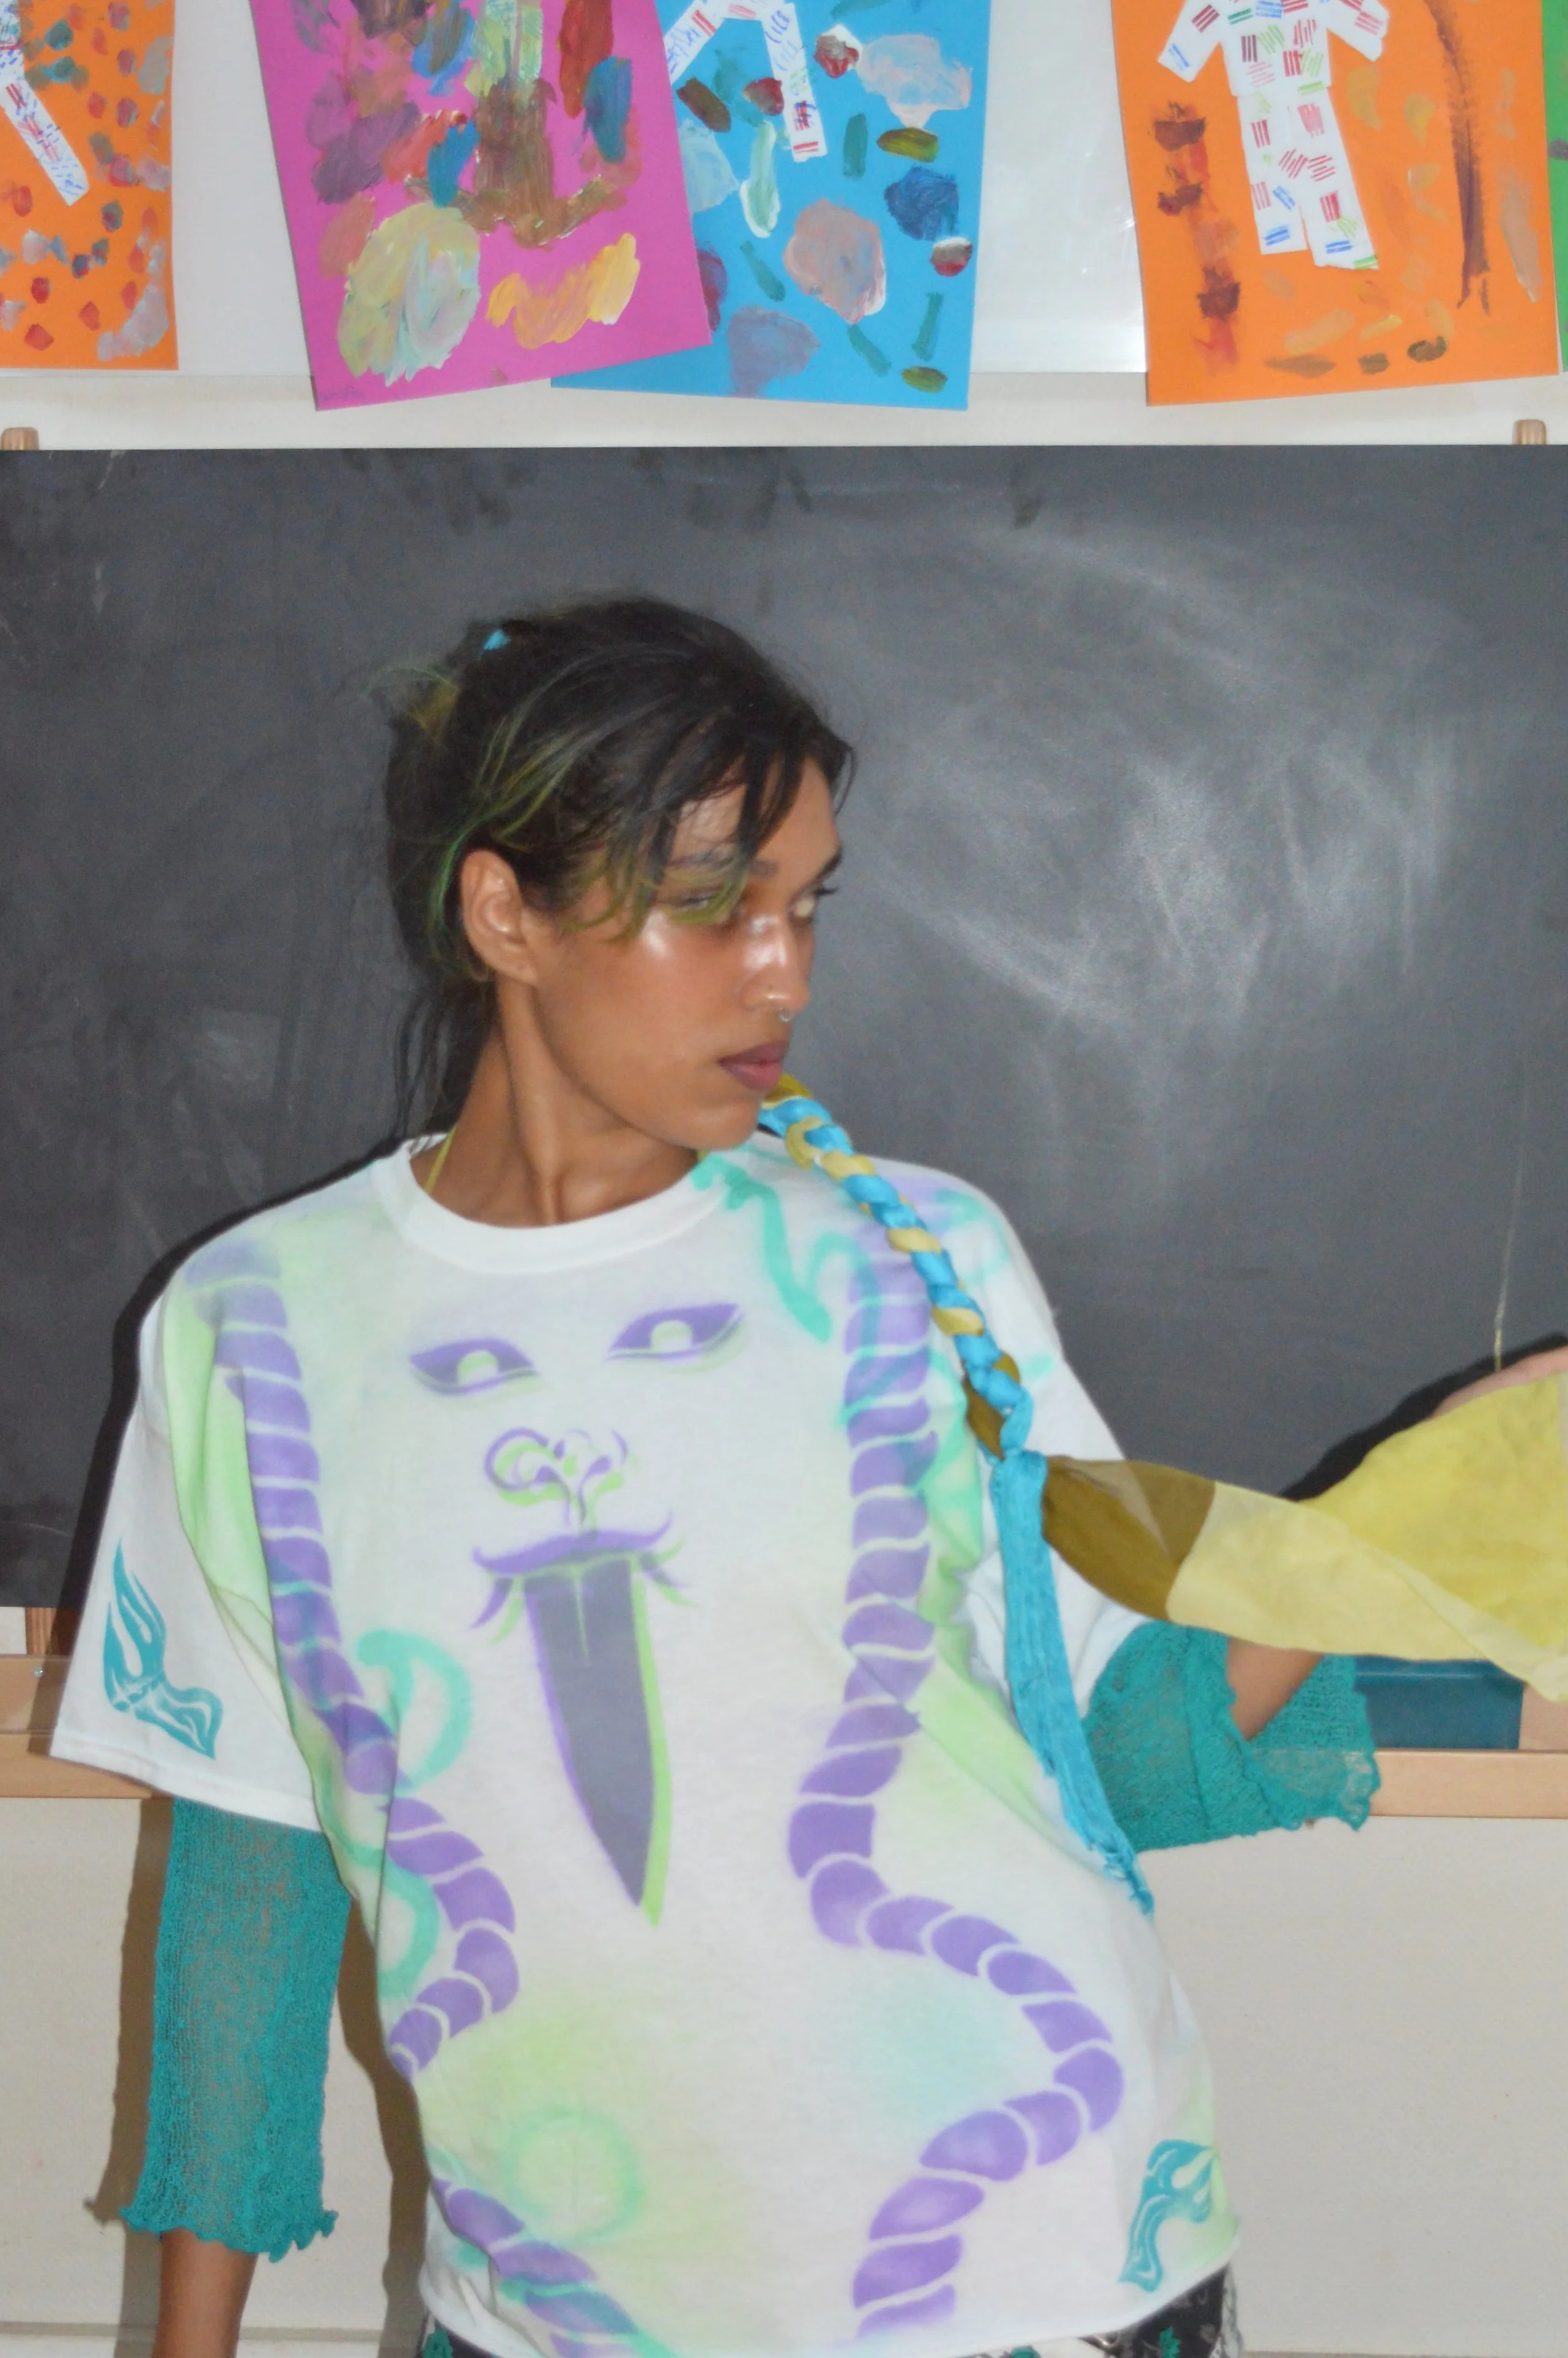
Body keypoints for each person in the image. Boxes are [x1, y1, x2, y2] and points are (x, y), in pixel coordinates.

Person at [51, 598, 1376, 2358]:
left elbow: (1117, 1746)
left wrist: (1405, 1526)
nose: (786, 971)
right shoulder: (256, 1332)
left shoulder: (913, 1259)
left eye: (806, 900)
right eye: (712, 902)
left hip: (1024, 2269)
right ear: (501, 910)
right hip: (553, 2305)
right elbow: (253, 1869)